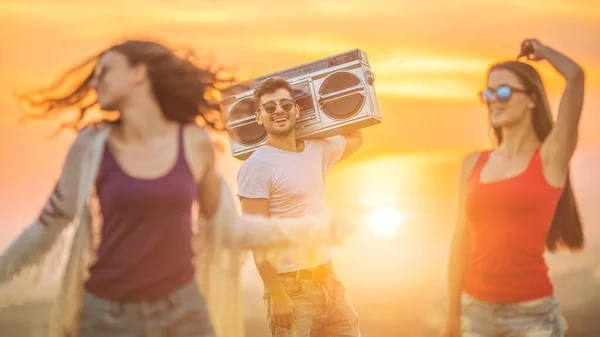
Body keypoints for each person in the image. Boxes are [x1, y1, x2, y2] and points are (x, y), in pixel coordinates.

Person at [0, 40, 352, 337]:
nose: (95, 81)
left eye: (106, 70)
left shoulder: (193, 143)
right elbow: (49, 224)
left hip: (183, 309)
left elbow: (228, 227)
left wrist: (313, 229)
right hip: (106, 312)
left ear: (139, 74)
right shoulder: (91, 145)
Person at [442, 39, 585, 337]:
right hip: (474, 312)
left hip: (532, 316)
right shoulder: (473, 163)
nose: (494, 99)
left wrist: (542, 51)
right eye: (488, 93)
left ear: (532, 99)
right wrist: (452, 316)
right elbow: (460, 242)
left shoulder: (550, 158)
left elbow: (575, 76)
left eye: (504, 91)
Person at [237, 76, 363, 337]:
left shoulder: (318, 149)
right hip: (290, 288)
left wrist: (315, 120)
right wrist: (276, 294)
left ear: (297, 109)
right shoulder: (256, 166)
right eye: (270, 108)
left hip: (329, 279)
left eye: (286, 105)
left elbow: (355, 135)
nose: (279, 111)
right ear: (259, 117)